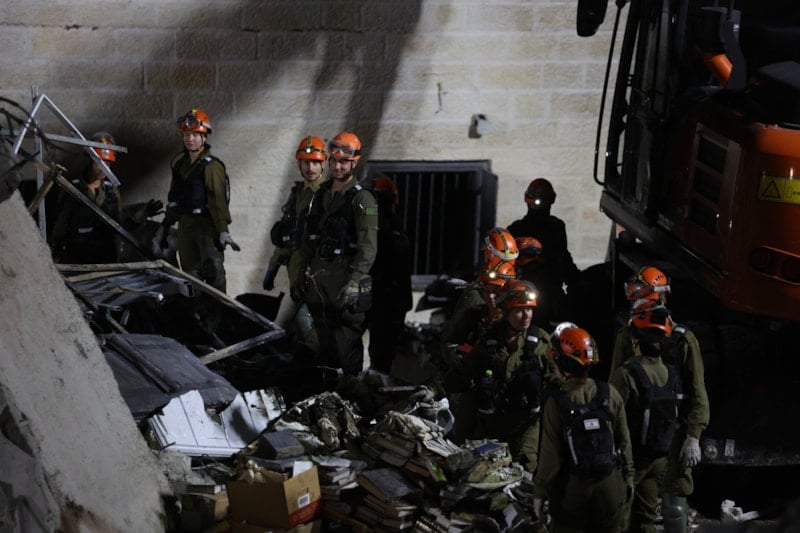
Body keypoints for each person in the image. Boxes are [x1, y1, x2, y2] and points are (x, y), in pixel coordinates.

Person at [609, 265, 710, 533]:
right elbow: (615, 389)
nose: (635, 299)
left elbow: (697, 391)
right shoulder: (627, 335)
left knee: (674, 501)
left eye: (641, 293)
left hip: (673, 432)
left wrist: (693, 436)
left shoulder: (683, 340)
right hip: (636, 434)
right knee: (626, 504)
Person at [533, 325, 634, 532]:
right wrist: (629, 478)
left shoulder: (557, 402)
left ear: (561, 361)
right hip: (609, 487)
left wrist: (540, 491)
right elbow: (624, 443)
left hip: (573, 491)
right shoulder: (610, 393)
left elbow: (551, 457)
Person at [295, 131, 378, 375]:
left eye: (344, 162)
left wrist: (354, 282)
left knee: (346, 342)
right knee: (322, 343)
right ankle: (326, 391)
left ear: (354, 163)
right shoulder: (321, 193)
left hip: (345, 278)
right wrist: (301, 269)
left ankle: (350, 390)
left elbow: (368, 246)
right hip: (320, 278)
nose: (338, 167)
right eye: (334, 161)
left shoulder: (362, 198)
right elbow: (310, 237)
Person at [461, 279, 556, 473]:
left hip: (525, 424)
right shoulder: (490, 340)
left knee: (525, 471)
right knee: (481, 470)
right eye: (519, 311)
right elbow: (463, 371)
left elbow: (557, 382)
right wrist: (434, 389)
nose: (526, 316)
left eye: (529, 309)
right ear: (506, 312)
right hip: (492, 421)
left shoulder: (542, 342)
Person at [610, 305, 682, 533]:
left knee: (615, 517)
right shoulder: (671, 373)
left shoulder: (626, 373)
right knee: (645, 519)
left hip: (631, 460)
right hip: (659, 458)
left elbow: (610, 418)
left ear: (635, 340)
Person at [153, 108, 240, 295]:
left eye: (195, 135)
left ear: (204, 136)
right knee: (191, 279)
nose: (190, 139)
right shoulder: (180, 165)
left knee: (214, 274)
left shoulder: (212, 166)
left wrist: (222, 230)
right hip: (186, 227)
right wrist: (165, 225)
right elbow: (175, 200)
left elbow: (218, 200)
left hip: (206, 228)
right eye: (187, 135)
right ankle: (197, 311)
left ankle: (218, 312)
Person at [50, 132, 162, 264]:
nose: (103, 168)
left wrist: (139, 217)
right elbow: (60, 227)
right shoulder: (72, 188)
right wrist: (54, 252)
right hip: (78, 257)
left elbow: (119, 226)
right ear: (89, 160)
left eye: (107, 164)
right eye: (99, 163)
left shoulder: (111, 190)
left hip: (106, 257)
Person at [262, 135, 328, 358]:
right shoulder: (298, 193)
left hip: (314, 276)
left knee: (310, 333)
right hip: (296, 273)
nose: (311, 168)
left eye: (316, 162)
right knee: (292, 330)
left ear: (323, 164)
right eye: (306, 162)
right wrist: (273, 267)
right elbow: (288, 234)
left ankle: (320, 370)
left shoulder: (327, 195)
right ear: (299, 164)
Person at [507, 178, 581, 327]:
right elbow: (508, 262)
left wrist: (576, 281)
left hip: (549, 286)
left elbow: (563, 257)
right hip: (525, 286)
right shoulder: (516, 229)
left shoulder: (556, 227)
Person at [365, 175, 413, 373]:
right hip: (379, 292)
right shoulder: (376, 221)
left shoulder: (391, 223)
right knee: (381, 343)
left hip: (387, 293)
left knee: (383, 343)